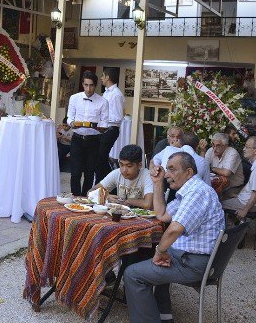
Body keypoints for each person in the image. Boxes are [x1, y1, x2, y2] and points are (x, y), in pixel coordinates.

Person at [123, 152, 225, 323]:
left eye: (172, 170)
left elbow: (173, 230)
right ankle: (163, 313)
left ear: (189, 172)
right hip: (194, 257)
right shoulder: (190, 189)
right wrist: (157, 183)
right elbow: (162, 215)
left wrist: (160, 251)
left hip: (194, 263)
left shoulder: (197, 192)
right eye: (167, 169)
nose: (168, 175)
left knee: (133, 274)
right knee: (146, 253)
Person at [67, 70, 109, 196]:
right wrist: (72, 123)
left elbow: (105, 123)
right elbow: (70, 117)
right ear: (82, 84)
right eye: (86, 85)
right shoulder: (74, 98)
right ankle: (75, 197)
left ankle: (85, 198)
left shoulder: (103, 102)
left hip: (94, 140)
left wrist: (100, 128)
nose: (88, 88)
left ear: (95, 85)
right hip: (77, 139)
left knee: (90, 173)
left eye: (91, 85)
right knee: (75, 172)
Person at [221, 136, 256, 219]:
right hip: (248, 200)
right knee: (227, 194)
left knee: (217, 205)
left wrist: (245, 210)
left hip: (248, 205)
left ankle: (230, 230)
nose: (243, 149)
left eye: (247, 147)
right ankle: (235, 225)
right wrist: (239, 196)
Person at [89, 145, 153, 209]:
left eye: (129, 166)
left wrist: (128, 201)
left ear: (139, 165)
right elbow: (90, 192)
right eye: (121, 165)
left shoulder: (147, 176)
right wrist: (106, 197)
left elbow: (148, 204)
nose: (124, 170)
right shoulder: (117, 173)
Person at [96, 68, 125, 183]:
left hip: (111, 130)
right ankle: (103, 184)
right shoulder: (107, 92)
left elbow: (118, 117)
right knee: (100, 159)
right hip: (104, 129)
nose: (102, 78)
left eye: (103, 76)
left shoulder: (116, 94)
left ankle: (108, 182)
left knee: (100, 159)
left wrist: (102, 119)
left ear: (107, 77)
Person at [204, 132, 244, 198]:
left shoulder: (232, 153)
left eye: (218, 145)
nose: (214, 148)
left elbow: (226, 173)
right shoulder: (211, 150)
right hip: (217, 186)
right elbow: (204, 166)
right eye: (213, 145)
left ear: (225, 146)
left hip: (233, 189)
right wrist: (203, 151)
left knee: (211, 198)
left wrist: (212, 168)